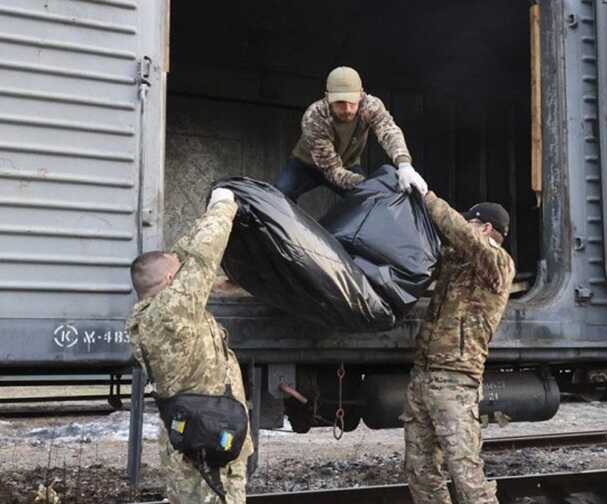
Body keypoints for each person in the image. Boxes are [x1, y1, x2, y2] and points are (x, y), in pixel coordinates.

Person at [127, 188, 253, 504]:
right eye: (177, 272)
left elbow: (182, 255)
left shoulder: (153, 313)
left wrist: (206, 212)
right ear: (171, 282)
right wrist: (223, 206)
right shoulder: (170, 311)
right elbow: (203, 255)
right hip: (208, 449)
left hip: (196, 441)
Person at [402, 195, 516, 504]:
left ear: (486, 228)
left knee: (465, 473)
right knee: (419, 469)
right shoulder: (456, 261)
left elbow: (463, 235)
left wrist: (427, 197)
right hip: (424, 374)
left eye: (472, 221)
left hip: (456, 379)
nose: (465, 225)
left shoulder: (499, 263)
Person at [274, 66, 427, 201]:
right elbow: (332, 170)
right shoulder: (314, 117)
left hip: (348, 164)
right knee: (281, 195)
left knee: (367, 200)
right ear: (328, 97)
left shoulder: (370, 106)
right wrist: (369, 184)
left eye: (352, 102)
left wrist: (404, 165)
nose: (347, 109)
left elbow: (389, 132)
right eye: (340, 102)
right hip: (307, 166)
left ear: (361, 95)